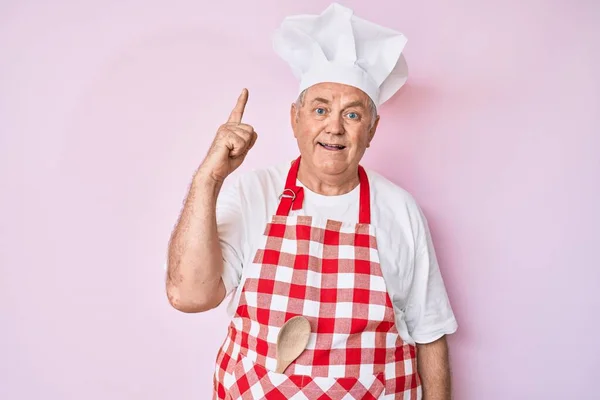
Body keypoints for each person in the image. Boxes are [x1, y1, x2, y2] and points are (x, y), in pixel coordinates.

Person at [166, 3, 458, 399]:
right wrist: (208, 178)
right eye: (320, 109)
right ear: (295, 119)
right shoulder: (254, 193)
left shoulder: (400, 210)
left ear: (372, 131)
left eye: (353, 115)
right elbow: (189, 296)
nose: (334, 127)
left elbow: (430, 335)